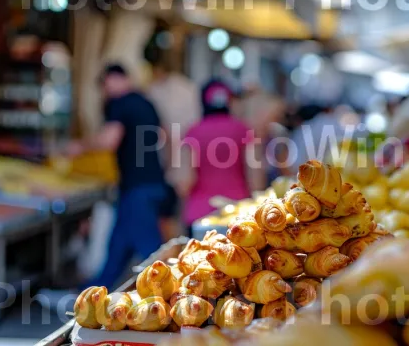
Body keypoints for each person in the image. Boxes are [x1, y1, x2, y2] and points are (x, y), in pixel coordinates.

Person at [68, 64, 175, 289]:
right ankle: (92, 293)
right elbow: (166, 138)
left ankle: (174, 295)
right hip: (152, 184)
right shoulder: (147, 102)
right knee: (118, 249)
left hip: (137, 188)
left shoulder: (119, 103)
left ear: (111, 80)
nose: (105, 93)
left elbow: (109, 140)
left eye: (104, 86)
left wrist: (80, 146)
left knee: (153, 256)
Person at [176, 79, 265, 236]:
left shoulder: (192, 132)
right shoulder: (245, 130)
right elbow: (256, 181)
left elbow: (185, 182)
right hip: (239, 215)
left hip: (200, 217)